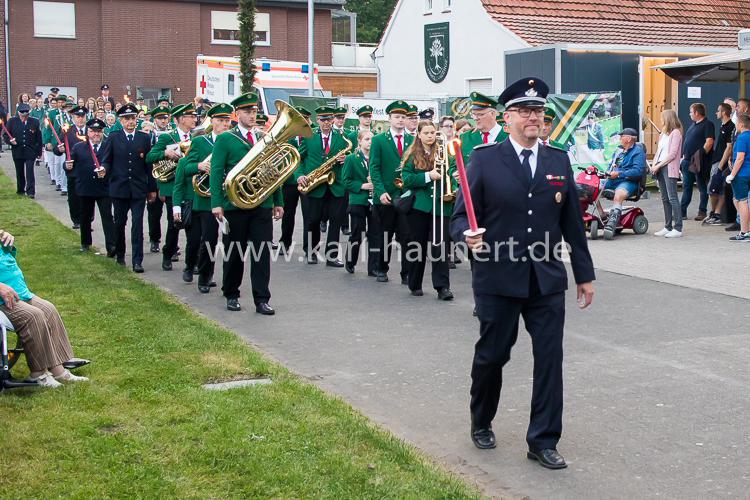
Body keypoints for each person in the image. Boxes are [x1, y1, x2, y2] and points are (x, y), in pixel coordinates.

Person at [451, 77, 595, 470]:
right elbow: (462, 213)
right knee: (492, 356)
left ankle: (543, 440)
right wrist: (466, 234)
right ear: (508, 116)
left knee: (549, 359)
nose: (535, 118)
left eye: (540, 112)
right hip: (497, 278)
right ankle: (481, 418)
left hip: (546, 280)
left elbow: (572, 224)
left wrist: (584, 274)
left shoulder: (557, 160)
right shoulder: (484, 158)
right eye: (527, 111)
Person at [210, 92, 283, 314]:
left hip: (261, 204)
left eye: (254, 111)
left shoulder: (264, 137)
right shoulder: (225, 139)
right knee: (235, 253)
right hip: (235, 205)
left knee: (261, 254)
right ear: (237, 114)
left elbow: (274, 172)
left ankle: (262, 299)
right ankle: (231, 293)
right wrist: (216, 203)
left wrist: (277, 201)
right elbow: (216, 171)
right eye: (247, 112)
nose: (252, 115)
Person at [0, 230, 89, 388]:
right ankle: (38, 374)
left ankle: (58, 368)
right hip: (3, 299)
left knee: (48, 309)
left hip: (18, 292)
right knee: (33, 315)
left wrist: (7, 241)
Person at [173, 102, 232, 291]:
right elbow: (186, 168)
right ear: (212, 122)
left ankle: (209, 276)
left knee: (217, 240)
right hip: (204, 200)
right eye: (221, 120)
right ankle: (195, 270)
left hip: (225, 197)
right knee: (200, 240)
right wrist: (199, 166)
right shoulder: (200, 142)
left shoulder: (233, 141)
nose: (225, 124)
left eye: (227, 120)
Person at [400, 120, 454, 300]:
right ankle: (415, 283)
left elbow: (452, 171)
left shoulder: (445, 151)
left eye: (433, 132)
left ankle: (442, 287)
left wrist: (454, 179)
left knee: (440, 247)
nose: (430, 136)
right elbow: (406, 179)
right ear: (419, 135)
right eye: (426, 133)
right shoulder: (412, 153)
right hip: (419, 206)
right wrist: (427, 176)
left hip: (441, 204)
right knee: (418, 245)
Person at [100, 103, 157, 272]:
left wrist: (152, 188)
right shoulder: (113, 137)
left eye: (133, 118)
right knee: (119, 223)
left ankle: (137, 260)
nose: (131, 122)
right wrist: (104, 169)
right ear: (121, 121)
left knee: (137, 225)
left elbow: (149, 165)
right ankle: (120, 255)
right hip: (119, 188)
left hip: (138, 188)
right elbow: (107, 159)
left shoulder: (144, 138)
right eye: (127, 119)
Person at [146, 103, 196, 271]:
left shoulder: (196, 137)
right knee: (174, 223)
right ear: (181, 119)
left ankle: (192, 260)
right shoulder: (168, 137)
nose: (194, 119)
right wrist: (165, 153)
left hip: (191, 187)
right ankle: (168, 254)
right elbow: (150, 157)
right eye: (190, 116)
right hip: (172, 187)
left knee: (192, 227)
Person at [297, 106, 349, 266]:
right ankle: (311, 252)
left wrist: (347, 158)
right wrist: (300, 175)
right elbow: (298, 158)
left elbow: (350, 158)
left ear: (333, 120)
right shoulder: (309, 136)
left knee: (335, 220)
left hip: (336, 185)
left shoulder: (343, 138)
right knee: (313, 220)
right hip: (315, 185)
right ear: (317, 120)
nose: (326, 123)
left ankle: (332, 256)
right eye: (322, 119)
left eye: (329, 119)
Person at [369, 100, 414, 283]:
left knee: (407, 236)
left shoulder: (413, 140)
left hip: (405, 196)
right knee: (384, 235)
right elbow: (374, 167)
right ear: (389, 119)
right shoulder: (379, 140)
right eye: (397, 117)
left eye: (403, 117)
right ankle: (381, 268)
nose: (400, 120)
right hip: (386, 196)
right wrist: (380, 191)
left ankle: (406, 272)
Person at [68, 118, 115, 255]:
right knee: (85, 217)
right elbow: (71, 166)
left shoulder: (108, 146)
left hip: (104, 188)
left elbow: (113, 164)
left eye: (99, 131)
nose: (96, 134)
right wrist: (67, 166)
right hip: (85, 187)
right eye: (93, 131)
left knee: (107, 217)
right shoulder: (79, 147)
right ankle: (85, 243)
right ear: (88, 132)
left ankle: (111, 245)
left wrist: (106, 170)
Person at [342, 129, 378, 275]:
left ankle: (373, 267)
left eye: (372, 139)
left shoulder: (377, 157)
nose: (370, 142)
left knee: (375, 234)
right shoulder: (351, 158)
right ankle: (350, 261)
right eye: (367, 139)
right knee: (358, 232)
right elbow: (345, 180)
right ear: (360, 141)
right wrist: (362, 186)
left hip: (374, 200)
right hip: (358, 200)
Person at [602, 128, 647, 240]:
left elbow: (638, 171)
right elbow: (611, 166)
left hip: (629, 181)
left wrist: (619, 174)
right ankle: (602, 215)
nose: (620, 138)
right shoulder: (618, 151)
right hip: (613, 179)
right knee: (592, 188)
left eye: (622, 136)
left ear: (629, 139)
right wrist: (606, 173)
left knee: (619, 194)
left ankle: (612, 223)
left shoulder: (638, 152)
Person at [279, 107, 312, 254]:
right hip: (290, 181)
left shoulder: (312, 136)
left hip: (308, 180)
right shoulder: (286, 136)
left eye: (305, 119)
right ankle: (285, 242)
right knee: (288, 214)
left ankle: (309, 247)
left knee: (309, 215)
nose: (302, 123)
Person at [650, 110, 684, 237]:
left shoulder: (676, 133)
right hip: (660, 166)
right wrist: (654, 165)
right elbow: (659, 151)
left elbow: (672, 154)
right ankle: (668, 226)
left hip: (668, 167)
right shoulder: (663, 134)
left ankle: (678, 227)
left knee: (672, 197)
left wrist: (658, 165)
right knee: (665, 198)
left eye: (662, 118)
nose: (661, 120)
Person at [680, 103, 714, 221]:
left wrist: (700, 155)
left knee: (702, 186)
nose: (689, 114)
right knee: (686, 186)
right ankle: (682, 211)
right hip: (687, 160)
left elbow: (709, 142)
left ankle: (702, 211)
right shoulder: (693, 125)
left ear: (696, 113)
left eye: (691, 112)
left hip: (698, 161)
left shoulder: (708, 124)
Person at [58, 105, 90, 229]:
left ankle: (87, 220)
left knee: (88, 196)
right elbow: (58, 148)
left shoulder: (91, 130)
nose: (81, 119)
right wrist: (59, 149)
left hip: (88, 168)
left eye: (83, 117)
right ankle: (76, 219)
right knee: (74, 196)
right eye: (78, 117)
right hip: (73, 168)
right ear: (73, 117)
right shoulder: (68, 131)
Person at [705, 103, 736, 225]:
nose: (716, 113)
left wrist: (720, 165)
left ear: (723, 112)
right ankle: (715, 213)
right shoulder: (722, 127)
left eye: (718, 111)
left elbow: (729, 148)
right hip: (716, 160)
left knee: (714, 188)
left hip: (720, 162)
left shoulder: (730, 127)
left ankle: (715, 213)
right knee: (715, 188)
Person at [5, 103, 42, 198]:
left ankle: (31, 192)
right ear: (18, 112)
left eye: (26, 112)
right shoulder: (12, 121)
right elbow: (6, 135)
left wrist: (39, 152)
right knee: (19, 171)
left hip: (30, 151)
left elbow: (38, 138)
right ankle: (21, 190)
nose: (24, 114)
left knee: (30, 171)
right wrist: (10, 141)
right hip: (18, 150)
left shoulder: (34, 121)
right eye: (22, 112)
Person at [725, 114, 750, 241]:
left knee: (742, 201)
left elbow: (740, 158)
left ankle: (745, 232)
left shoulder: (741, 138)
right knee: (739, 200)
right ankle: (746, 229)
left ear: (740, 124)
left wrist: (732, 174)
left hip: (742, 174)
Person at [460, 93, 504, 166]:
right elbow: (454, 166)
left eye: (480, 114)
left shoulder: (510, 135)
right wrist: (455, 173)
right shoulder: (465, 137)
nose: (475, 118)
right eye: (473, 114)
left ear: (493, 114)